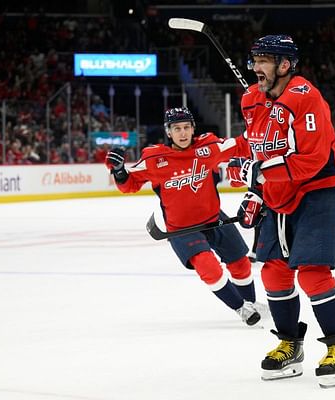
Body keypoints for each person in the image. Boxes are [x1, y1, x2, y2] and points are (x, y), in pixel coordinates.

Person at [226, 34, 335, 388]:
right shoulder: (252, 100)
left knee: (312, 274)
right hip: (278, 195)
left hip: (319, 190)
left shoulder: (305, 97)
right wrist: (255, 189)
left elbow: (312, 160)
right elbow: (258, 146)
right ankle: (289, 345)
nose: (255, 68)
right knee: (274, 274)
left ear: (285, 65)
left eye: (263, 60)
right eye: (253, 60)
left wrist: (258, 173)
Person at [105, 107, 262, 326]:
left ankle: (251, 303)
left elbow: (241, 144)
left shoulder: (209, 146)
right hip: (181, 228)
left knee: (240, 263)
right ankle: (240, 308)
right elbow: (129, 184)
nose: (183, 133)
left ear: (193, 128)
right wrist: (119, 170)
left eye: (187, 127)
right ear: (168, 132)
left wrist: (263, 121)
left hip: (214, 217)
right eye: (177, 128)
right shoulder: (154, 158)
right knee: (208, 266)